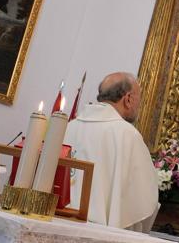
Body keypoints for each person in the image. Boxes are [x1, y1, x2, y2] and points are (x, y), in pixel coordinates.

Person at [64, 72, 159, 233]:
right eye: (138, 99)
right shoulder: (128, 135)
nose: (139, 105)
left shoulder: (68, 127)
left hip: (58, 222)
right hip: (100, 234)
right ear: (128, 99)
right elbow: (142, 202)